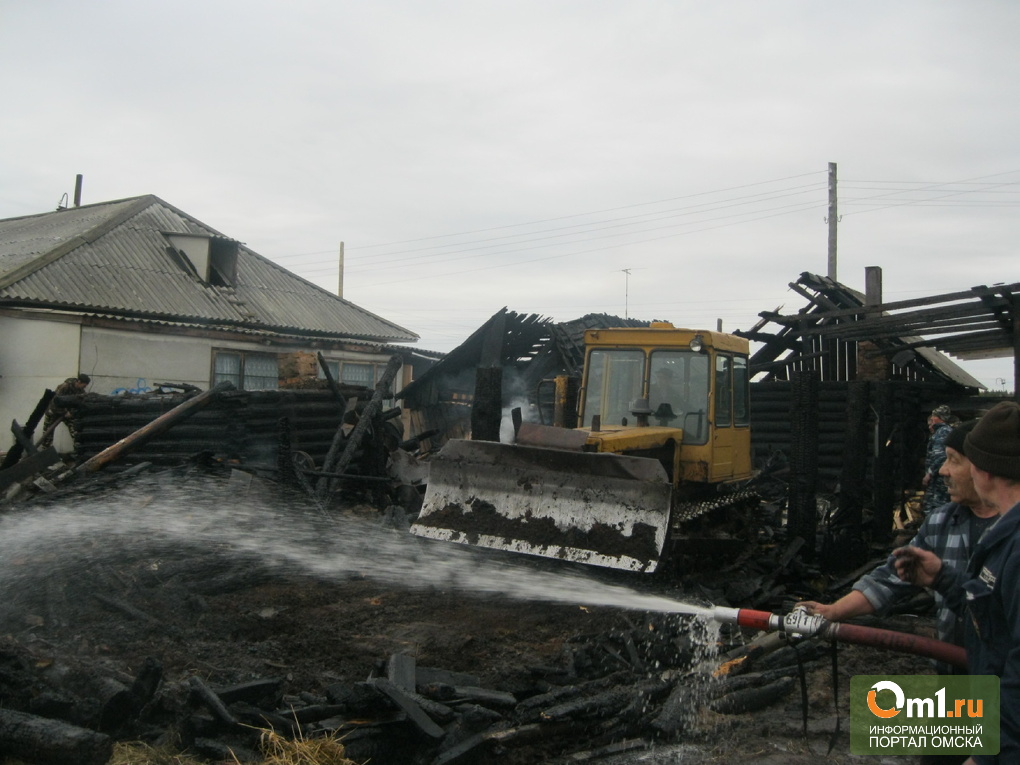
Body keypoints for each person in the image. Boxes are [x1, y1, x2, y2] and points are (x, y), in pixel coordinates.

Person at [799, 420, 994, 665]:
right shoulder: (942, 522)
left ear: (984, 468)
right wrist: (832, 611)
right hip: (954, 669)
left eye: (953, 460)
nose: (943, 470)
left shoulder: (1011, 531)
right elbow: (892, 577)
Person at [894, 401, 1020, 765]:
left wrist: (986, 755)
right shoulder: (1003, 533)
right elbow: (993, 617)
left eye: (958, 460)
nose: (945, 471)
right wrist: (945, 580)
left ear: (983, 469)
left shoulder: (1015, 543)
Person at [38, 373, 90, 449]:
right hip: (53, 412)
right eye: (84, 385)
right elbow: (54, 402)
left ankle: (78, 450)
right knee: (48, 435)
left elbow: (80, 403)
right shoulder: (64, 387)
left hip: (68, 413)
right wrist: (64, 412)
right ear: (79, 382)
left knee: (75, 430)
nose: (84, 387)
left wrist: (71, 412)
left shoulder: (80, 391)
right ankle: (45, 452)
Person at [923, 404, 954, 514]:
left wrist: (930, 473)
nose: (931, 418)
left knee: (936, 509)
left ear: (938, 418)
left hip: (939, 481)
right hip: (937, 481)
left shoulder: (943, 432)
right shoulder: (941, 432)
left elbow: (941, 456)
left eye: (934, 416)